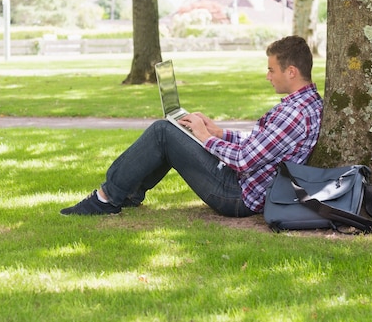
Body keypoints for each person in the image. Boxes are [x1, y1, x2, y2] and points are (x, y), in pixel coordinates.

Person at [60, 35, 323, 217]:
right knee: (173, 130)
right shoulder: (307, 102)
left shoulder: (294, 112)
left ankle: (105, 198)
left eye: (271, 70)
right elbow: (262, 143)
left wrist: (204, 137)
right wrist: (218, 132)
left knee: (164, 132)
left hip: (238, 195)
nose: (267, 76)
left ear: (291, 72)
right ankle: (128, 193)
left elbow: (244, 160)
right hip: (245, 184)